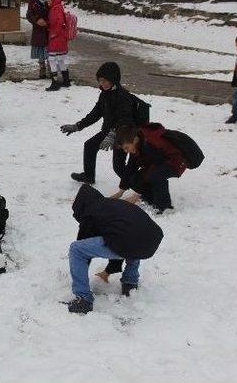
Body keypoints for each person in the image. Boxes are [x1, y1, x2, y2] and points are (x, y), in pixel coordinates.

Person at [67, 184, 163, 314]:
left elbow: (84, 250)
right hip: (151, 239)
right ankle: (130, 283)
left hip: (130, 240)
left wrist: (82, 271)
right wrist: (108, 271)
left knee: (76, 249)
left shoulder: (91, 213)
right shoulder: (112, 205)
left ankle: (83, 299)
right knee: (131, 238)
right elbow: (116, 236)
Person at [60, 62, 135, 184]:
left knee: (118, 167)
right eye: (100, 81)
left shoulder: (123, 97)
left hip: (124, 135)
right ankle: (89, 176)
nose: (102, 84)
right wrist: (77, 126)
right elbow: (95, 114)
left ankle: (142, 187)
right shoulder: (105, 95)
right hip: (107, 132)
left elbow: (125, 120)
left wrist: (112, 135)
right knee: (90, 146)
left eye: (105, 81)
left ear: (114, 79)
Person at [110, 124, 187, 214]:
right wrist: (120, 192)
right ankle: (149, 199)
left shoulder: (149, 144)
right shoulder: (137, 145)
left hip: (176, 162)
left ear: (134, 140)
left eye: (126, 147)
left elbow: (159, 163)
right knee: (135, 179)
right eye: (124, 149)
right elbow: (131, 168)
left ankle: (165, 207)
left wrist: (137, 195)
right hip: (160, 163)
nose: (126, 151)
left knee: (154, 175)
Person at [45, 0, 70, 91]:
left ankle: (55, 82)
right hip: (61, 39)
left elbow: (58, 23)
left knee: (52, 60)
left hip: (56, 39)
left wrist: (52, 34)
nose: (47, 1)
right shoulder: (58, 7)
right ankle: (66, 80)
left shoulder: (55, 9)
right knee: (60, 60)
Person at [26, 0, 50, 79]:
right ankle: (42, 69)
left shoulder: (49, 1)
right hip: (38, 31)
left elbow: (53, 14)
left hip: (48, 30)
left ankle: (51, 68)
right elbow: (29, 15)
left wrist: (47, 22)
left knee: (49, 50)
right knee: (41, 51)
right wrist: (36, 20)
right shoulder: (33, 2)